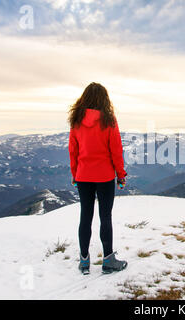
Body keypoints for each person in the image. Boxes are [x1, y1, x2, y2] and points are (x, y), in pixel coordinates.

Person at [68, 82, 128, 275]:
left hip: (83, 175)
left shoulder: (76, 120)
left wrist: (74, 174)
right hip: (104, 175)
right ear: (104, 99)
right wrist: (121, 175)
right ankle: (108, 260)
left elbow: (73, 151)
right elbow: (116, 150)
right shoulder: (108, 121)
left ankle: (84, 261)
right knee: (105, 217)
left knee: (85, 216)